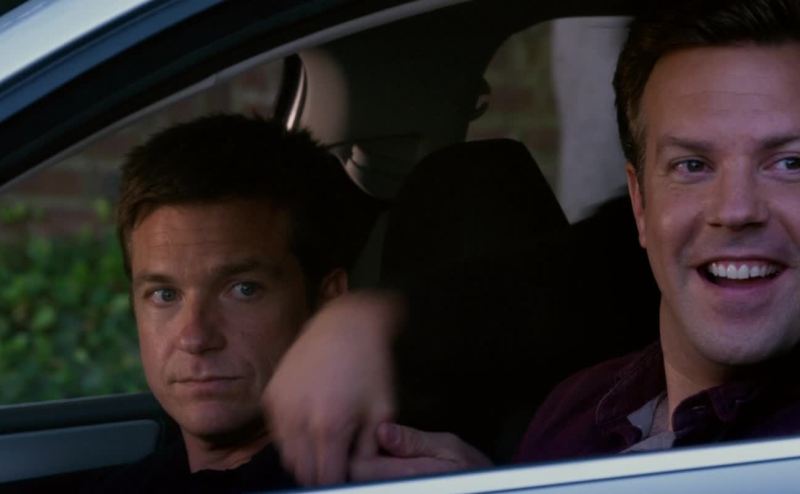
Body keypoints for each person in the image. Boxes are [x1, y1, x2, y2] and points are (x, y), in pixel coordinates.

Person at [264, 0, 800, 485]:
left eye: (790, 163)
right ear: (639, 203)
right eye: (691, 165)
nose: (735, 210)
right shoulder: (576, 407)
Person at [85, 114, 381, 493]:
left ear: (327, 302)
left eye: (243, 289)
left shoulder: (387, 481)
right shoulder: (129, 487)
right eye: (165, 294)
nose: (195, 338)